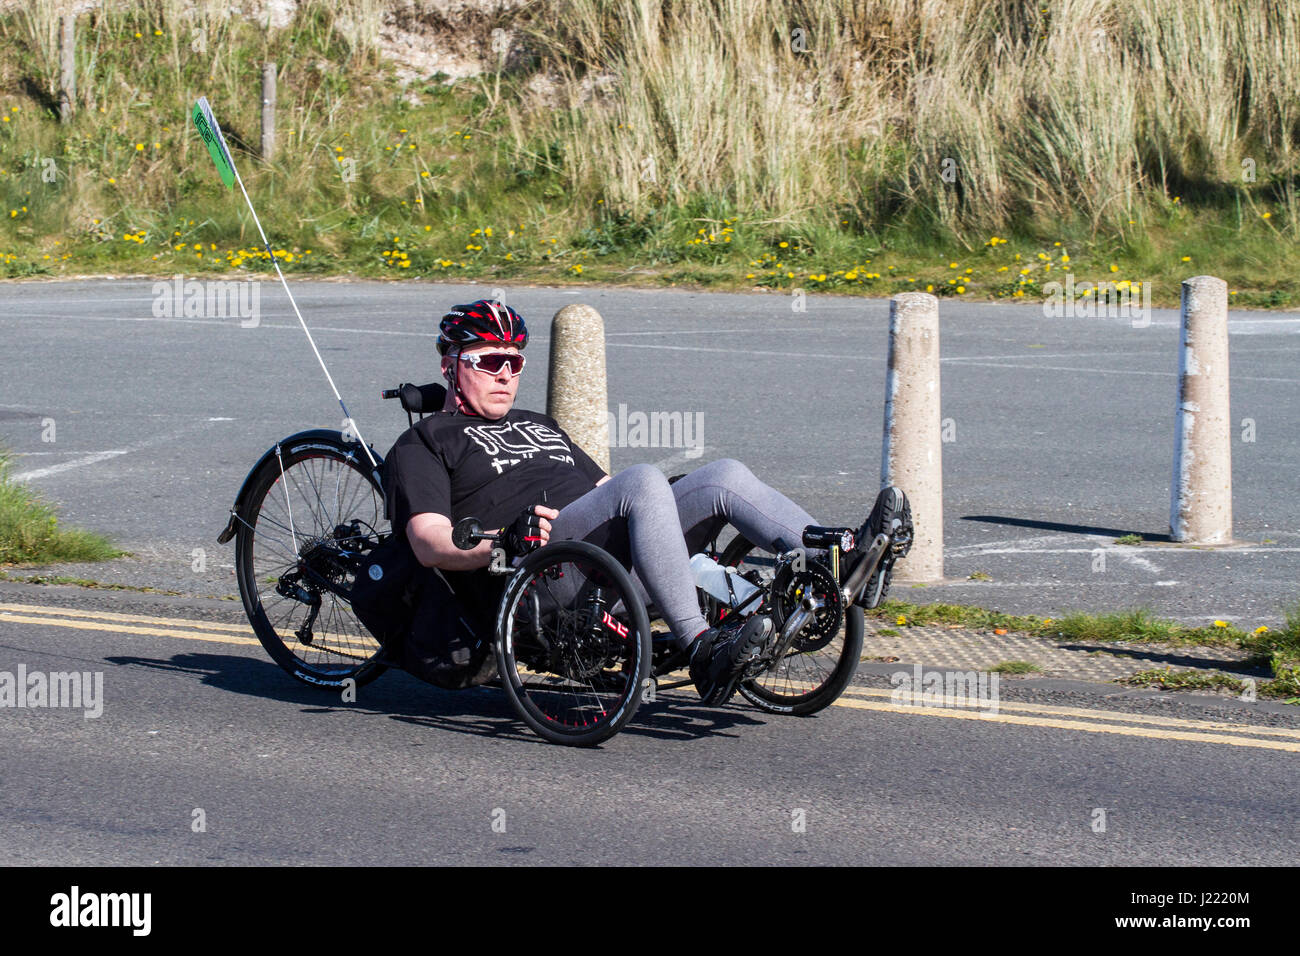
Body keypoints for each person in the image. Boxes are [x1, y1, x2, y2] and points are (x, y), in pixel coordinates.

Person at [383, 299, 908, 705]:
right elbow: (429, 543)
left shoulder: (538, 424)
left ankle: (840, 558)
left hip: (606, 557)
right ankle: (703, 647)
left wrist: (679, 501)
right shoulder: (428, 440)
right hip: (544, 574)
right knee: (642, 481)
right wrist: (501, 542)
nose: (506, 375)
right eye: (490, 361)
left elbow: (602, 491)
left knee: (719, 476)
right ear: (452, 364)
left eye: (515, 362)